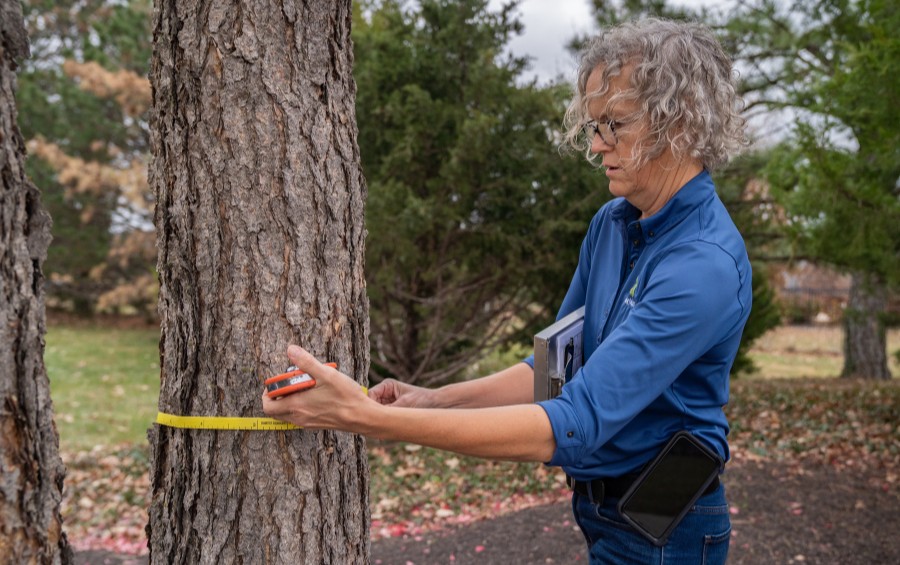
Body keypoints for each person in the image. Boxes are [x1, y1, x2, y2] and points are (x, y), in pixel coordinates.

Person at [263, 17, 751, 564]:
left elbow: (574, 423)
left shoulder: (702, 267)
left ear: (679, 123)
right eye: (593, 125)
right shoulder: (614, 222)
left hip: (668, 525)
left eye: (614, 124)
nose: (596, 145)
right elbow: (556, 368)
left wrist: (368, 420)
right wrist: (434, 399)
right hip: (605, 508)